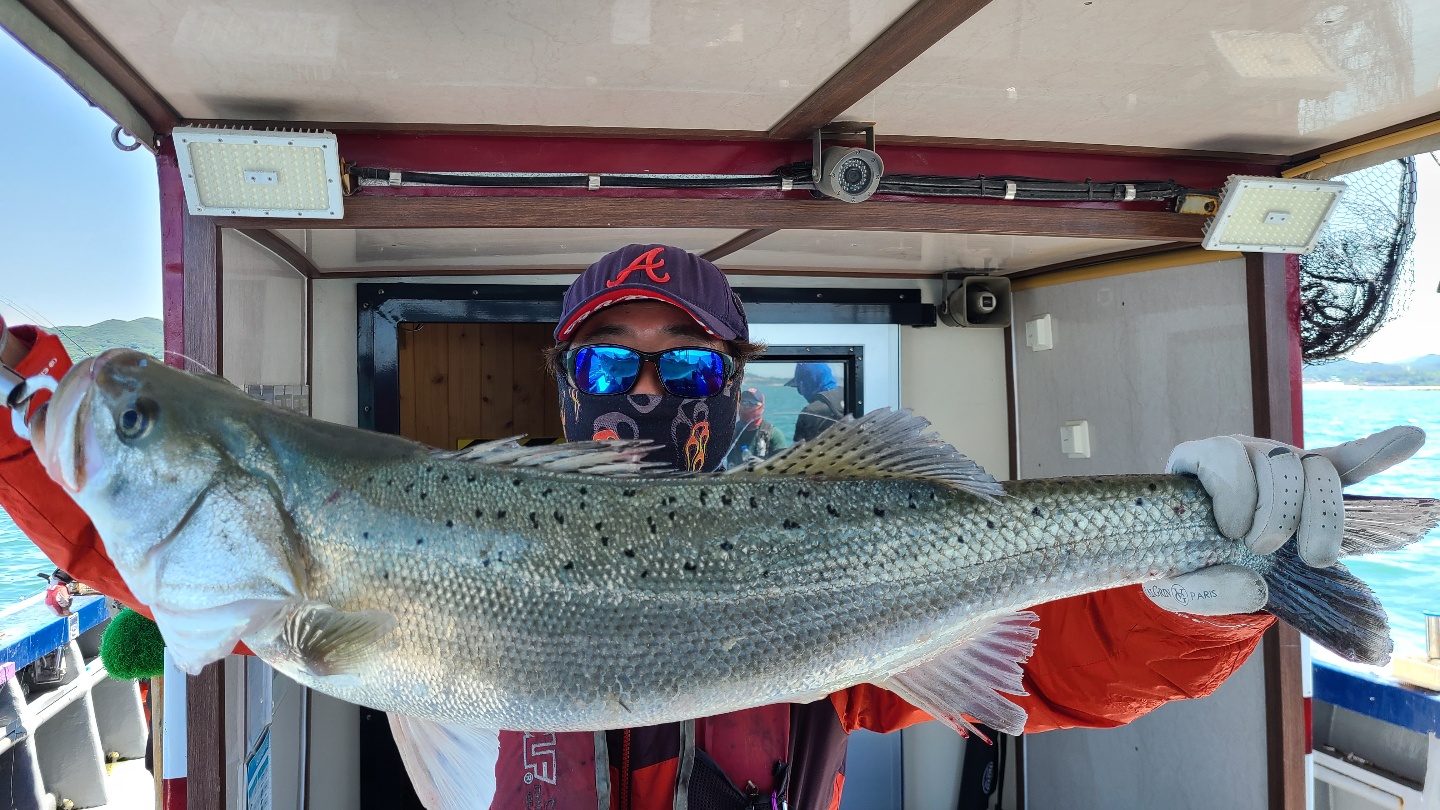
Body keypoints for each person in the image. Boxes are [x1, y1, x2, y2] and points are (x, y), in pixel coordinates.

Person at [0, 244, 1406, 810]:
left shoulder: (832, 571)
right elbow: (116, 538)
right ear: (566, 384)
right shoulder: (318, 549)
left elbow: (1056, 666)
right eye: (611, 365)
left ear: (730, 391)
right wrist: (23, 400)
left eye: (688, 366)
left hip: (868, 574)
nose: (648, 394)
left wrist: (1205, 595)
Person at [727, 388, 787, 468]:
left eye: (751, 403)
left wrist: (765, 464)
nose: (746, 406)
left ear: (761, 408)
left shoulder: (773, 434)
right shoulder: (730, 433)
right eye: (743, 402)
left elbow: (785, 464)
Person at [787, 363, 846, 444]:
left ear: (805, 384)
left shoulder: (810, 412)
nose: (802, 393)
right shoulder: (851, 396)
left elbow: (796, 452)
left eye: (799, 389)